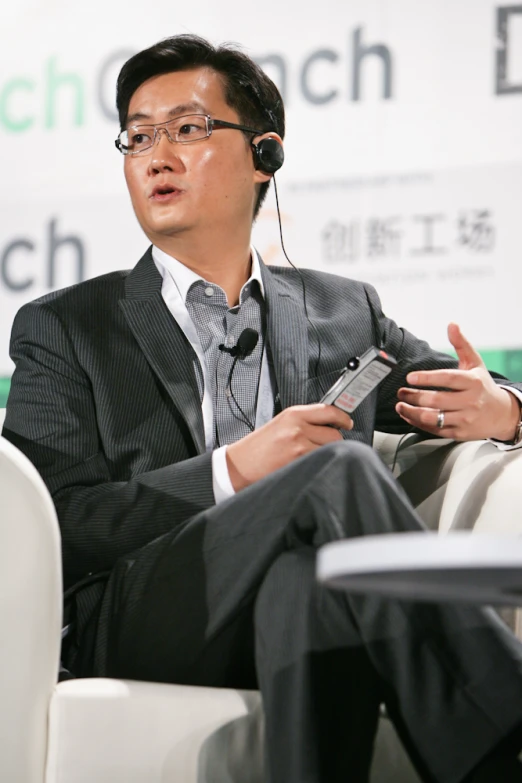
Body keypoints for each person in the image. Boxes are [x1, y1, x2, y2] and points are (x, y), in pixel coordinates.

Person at [3, 33, 522, 783]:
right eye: (138, 136)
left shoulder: (343, 311)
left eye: (187, 128)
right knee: (335, 470)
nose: (156, 155)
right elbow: (59, 524)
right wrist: (233, 471)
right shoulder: (67, 326)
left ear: (263, 156)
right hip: (139, 613)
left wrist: (503, 407)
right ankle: (504, 730)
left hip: (279, 603)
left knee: (310, 584)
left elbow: (463, 389)